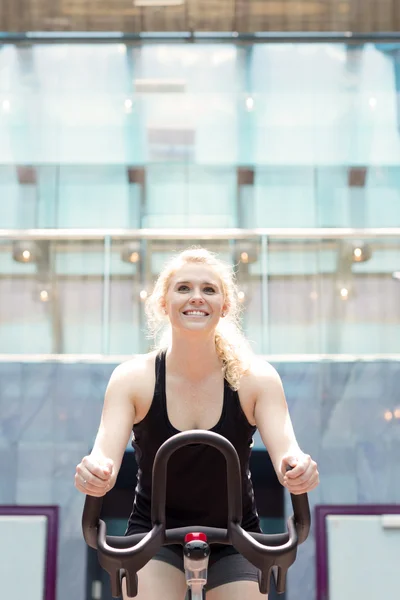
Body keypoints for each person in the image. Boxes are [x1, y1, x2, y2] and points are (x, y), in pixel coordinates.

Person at [75, 247, 319, 600]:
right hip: (154, 534)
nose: (196, 298)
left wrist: (298, 469)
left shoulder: (256, 378)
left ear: (225, 305)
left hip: (236, 535)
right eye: (183, 288)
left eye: (208, 289)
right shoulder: (132, 378)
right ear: (163, 303)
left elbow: (288, 454)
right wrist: (95, 473)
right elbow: (104, 458)